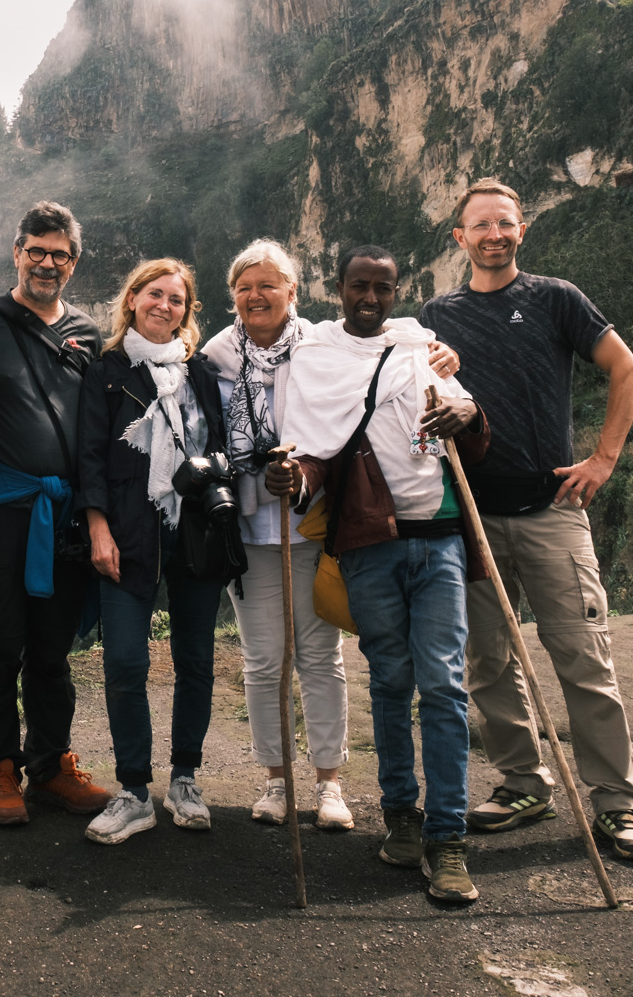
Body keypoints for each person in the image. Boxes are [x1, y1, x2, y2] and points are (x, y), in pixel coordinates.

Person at [418, 177, 633, 862]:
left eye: (505, 223)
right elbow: (417, 405)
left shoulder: (555, 299)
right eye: (481, 225)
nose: (494, 234)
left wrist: (603, 461)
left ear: (522, 231)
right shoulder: (436, 315)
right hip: (471, 516)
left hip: (552, 509)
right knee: (489, 663)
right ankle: (525, 782)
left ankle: (617, 804)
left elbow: (628, 371)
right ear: (459, 238)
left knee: (584, 658)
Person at [202, 240, 464, 832]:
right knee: (264, 660)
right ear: (233, 295)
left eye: (270, 284)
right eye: (245, 285)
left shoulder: (319, 347)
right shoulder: (215, 357)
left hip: (320, 522)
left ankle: (329, 783)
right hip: (248, 524)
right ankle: (275, 780)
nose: (256, 295)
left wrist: (435, 351)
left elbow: (389, 344)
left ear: (294, 292)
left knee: (320, 656)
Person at [268, 244, 489, 903]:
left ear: (398, 290)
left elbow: (470, 429)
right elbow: (314, 452)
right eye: (359, 286)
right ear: (339, 288)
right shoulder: (316, 359)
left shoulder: (421, 346)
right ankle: (403, 818)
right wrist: (291, 476)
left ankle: (448, 841)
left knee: (445, 687)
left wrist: (467, 413)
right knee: (391, 681)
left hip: (441, 539)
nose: (370, 298)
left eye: (382, 288)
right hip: (369, 546)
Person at [0, 202, 113, 826]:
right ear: (16, 253)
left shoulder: (88, 332)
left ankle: (50, 764)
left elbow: (101, 419)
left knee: (52, 646)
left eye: (61, 254)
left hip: (67, 511)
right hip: (7, 508)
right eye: (36, 251)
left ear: (73, 263)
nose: (48, 263)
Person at [76, 259, 232, 845]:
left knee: (195, 660)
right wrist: (98, 528)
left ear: (188, 312)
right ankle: (135, 791)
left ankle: (185, 779)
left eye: (177, 299)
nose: (165, 305)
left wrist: (209, 469)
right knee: (124, 662)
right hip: (127, 528)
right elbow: (89, 455)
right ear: (132, 299)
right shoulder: (108, 372)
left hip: (194, 530)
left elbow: (222, 448)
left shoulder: (201, 374)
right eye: (154, 294)